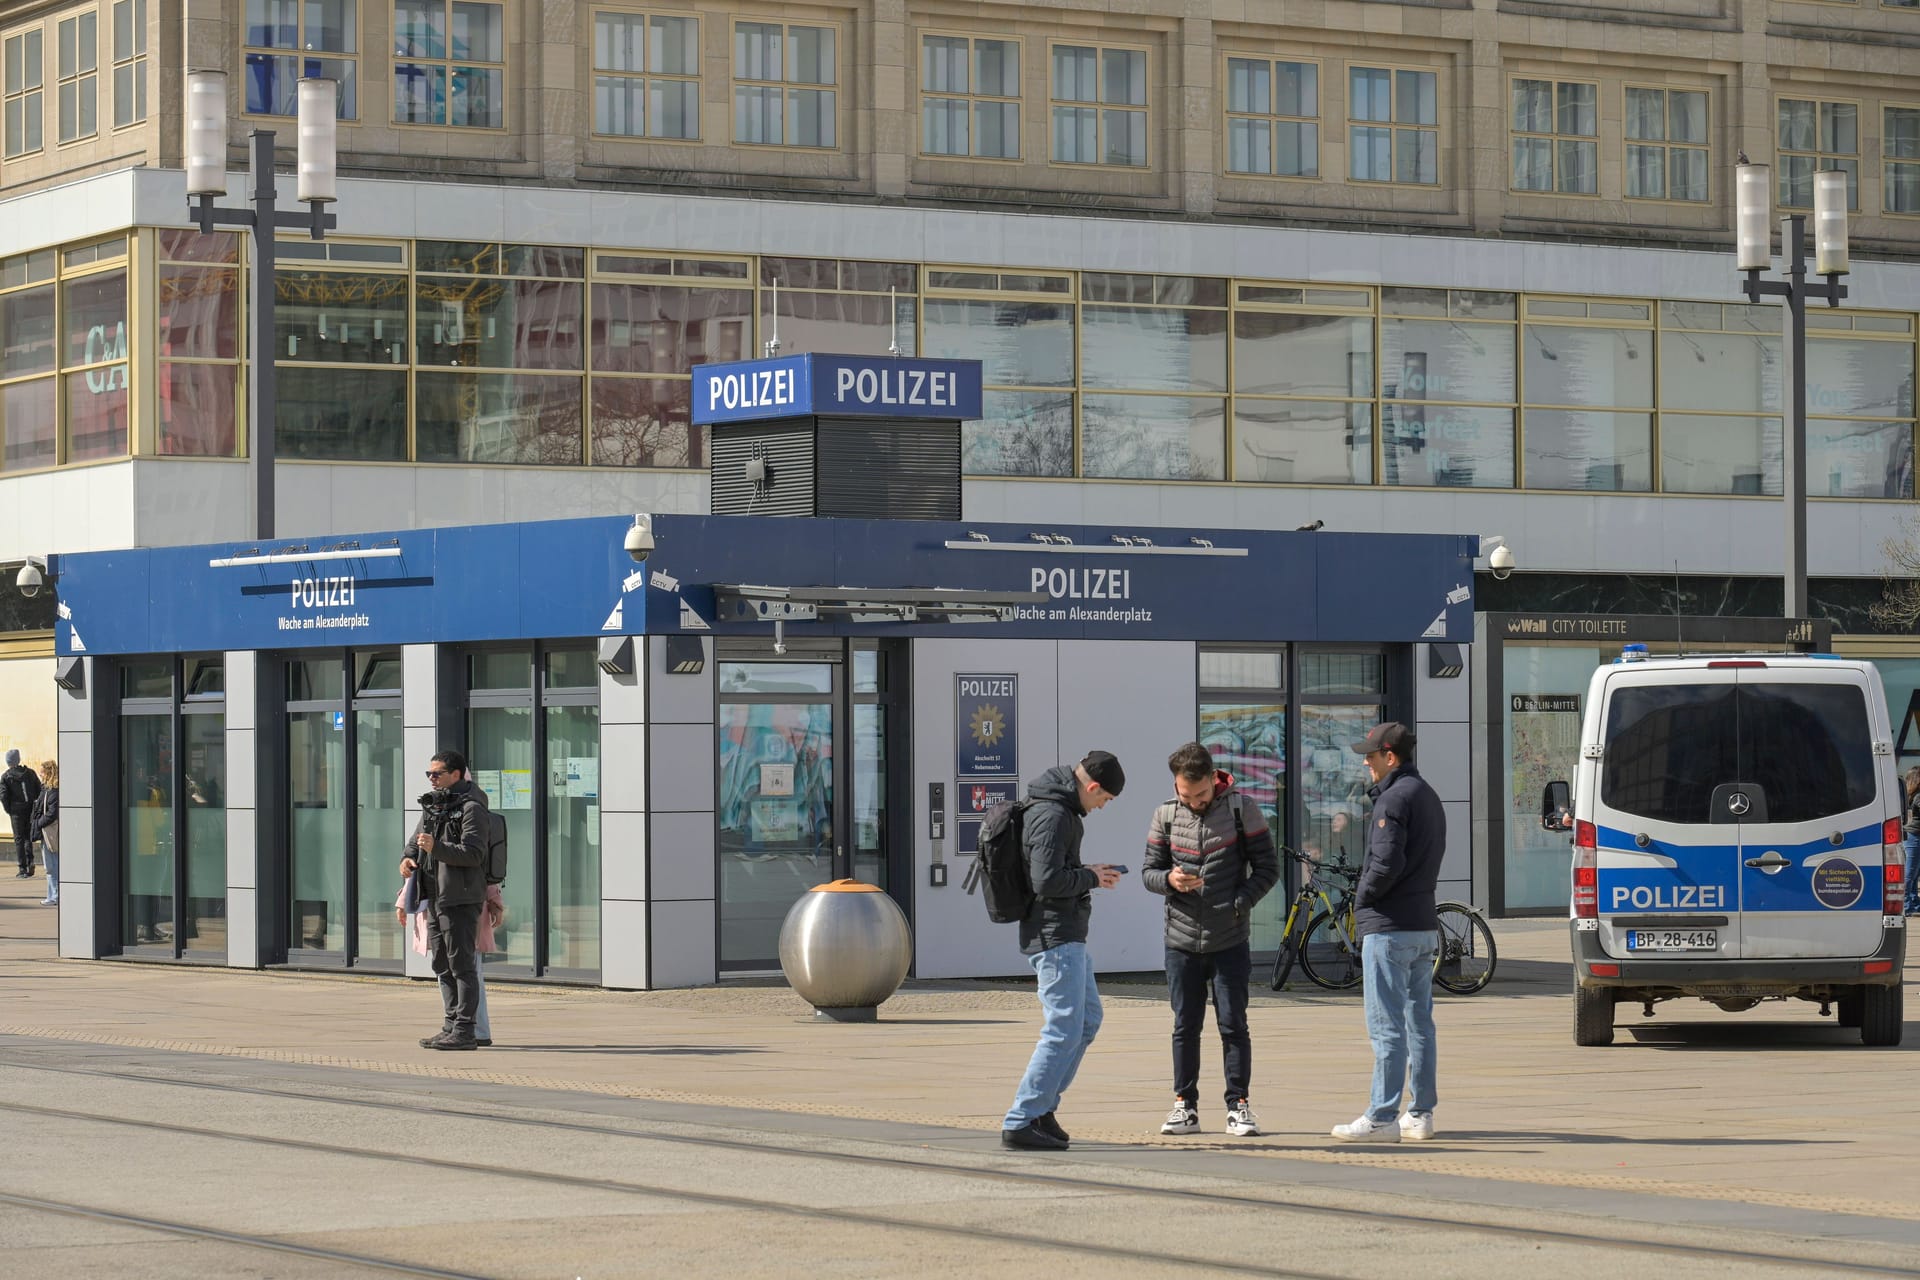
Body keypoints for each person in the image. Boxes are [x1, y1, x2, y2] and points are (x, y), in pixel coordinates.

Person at [1142, 741, 1280, 1138]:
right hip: (1180, 940)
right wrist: (1169, 880)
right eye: (1186, 795)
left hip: (1229, 937)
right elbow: (1148, 872)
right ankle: (1184, 1107)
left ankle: (1239, 1106)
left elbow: (1267, 868)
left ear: (1213, 779)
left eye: (1200, 794)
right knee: (1185, 1026)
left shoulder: (1242, 809)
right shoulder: (1165, 815)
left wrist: (1240, 902)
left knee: (1233, 1025)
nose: (1194, 801)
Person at [1002, 750, 1128, 1152]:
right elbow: (1046, 880)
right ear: (1092, 787)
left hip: (1065, 932)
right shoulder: (1054, 815)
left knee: (1087, 1020)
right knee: (1064, 1027)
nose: (1101, 806)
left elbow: (1053, 871)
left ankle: (1042, 1108)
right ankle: (1022, 1118)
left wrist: (1088, 873)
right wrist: (1090, 876)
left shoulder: (1059, 810)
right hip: (1054, 935)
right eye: (1104, 799)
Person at [1332, 722, 1445, 1143]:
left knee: (1386, 1025)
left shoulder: (1393, 799)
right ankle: (1420, 1113)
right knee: (1419, 1023)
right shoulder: (1427, 795)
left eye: (1371, 755)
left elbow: (1385, 864)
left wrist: (1361, 900)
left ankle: (1381, 1116)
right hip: (1421, 924)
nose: (1365, 762)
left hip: (1390, 927)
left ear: (1390, 757)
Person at [398, 748, 491, 1050]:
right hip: (434, 896)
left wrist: (437, 848)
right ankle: (450, 1024)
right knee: (441, 964)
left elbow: (474, 853)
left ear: (456, 774)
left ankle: (466, 1030)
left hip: (460, 897)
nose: (432, 779)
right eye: (429, 774)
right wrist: (407, 859)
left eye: (437, 774)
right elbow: (415, 842)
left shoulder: (472, 808)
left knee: (462, 964)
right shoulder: (433, 805)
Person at [1, 748, 42, 878]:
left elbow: (3, 796)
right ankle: (30, 861)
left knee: (19, 838)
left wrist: (9, 809)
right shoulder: (30, 773)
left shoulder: (6, 776)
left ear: (8, 762)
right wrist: (34, 806)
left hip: (16, 812)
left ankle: (22, 868)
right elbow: (39, 790)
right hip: (30, 809)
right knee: (27, 837)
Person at [29, 760, 58, 906]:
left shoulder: (52, 791)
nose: (40, 774)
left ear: (47, 773)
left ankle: (54, 896)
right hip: (47, 832)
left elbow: (52, 813)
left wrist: (38, 823)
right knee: (51, 865)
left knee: (51, 865)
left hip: (49, 833)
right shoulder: (47, 789)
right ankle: (52, 895)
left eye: (42, 771)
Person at [1904, 766, 1920, 917]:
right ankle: (1906, 904)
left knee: (1914, 873)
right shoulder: (1918, 796)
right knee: (1910, 873)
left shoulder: (1909, 795)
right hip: (1914, 836)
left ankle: (1914, 903)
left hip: (1911, 836)